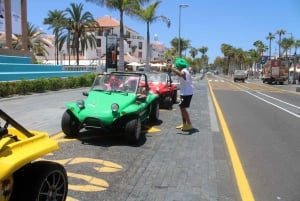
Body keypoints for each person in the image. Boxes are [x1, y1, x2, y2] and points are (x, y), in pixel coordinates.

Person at [167, 58, 193, 131]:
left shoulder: (184, 71)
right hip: (184, 92)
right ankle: (184, 124)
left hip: (187, 93)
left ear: (180, 65)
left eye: (177, 66)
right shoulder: (184, 70)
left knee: (183, 109)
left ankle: (189, 124)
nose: (177, 67)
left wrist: (171, 68)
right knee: (182, 108)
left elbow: (181, 74)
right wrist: (172, 66)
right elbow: (178, 72)